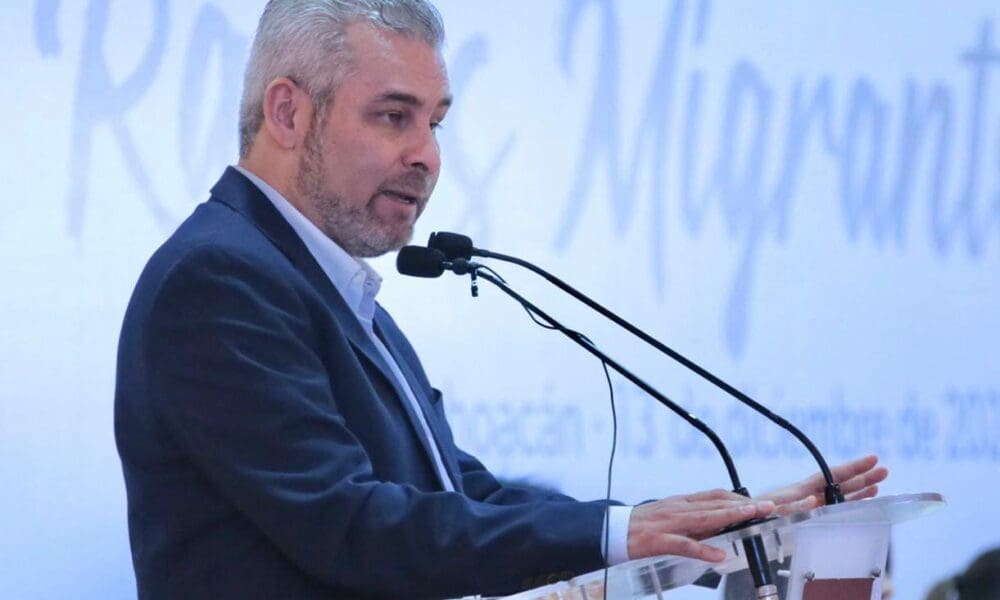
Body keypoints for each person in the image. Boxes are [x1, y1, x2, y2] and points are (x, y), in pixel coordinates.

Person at [114, 1, 888, 598]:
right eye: (393, 116)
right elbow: (351, 524)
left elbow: (458, 493)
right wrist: (619, 533)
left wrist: (692, 528)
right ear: (288, 112)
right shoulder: (219, 280)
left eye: (435, 122)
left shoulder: (324, 285)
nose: (427, 155)